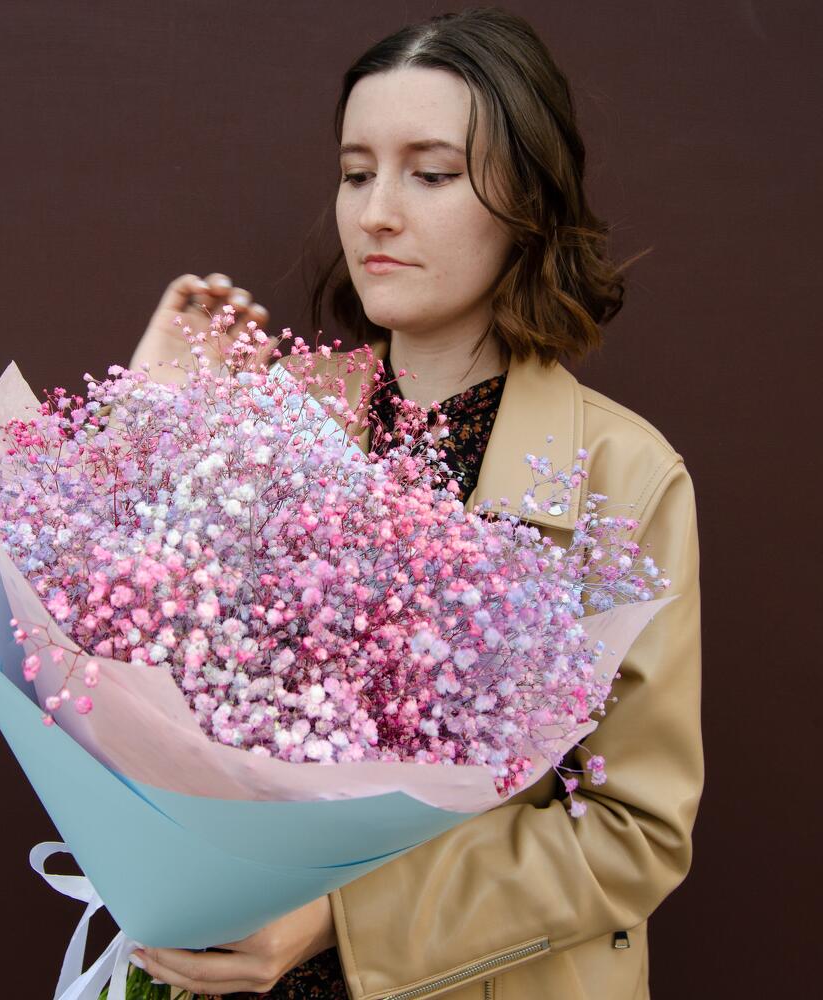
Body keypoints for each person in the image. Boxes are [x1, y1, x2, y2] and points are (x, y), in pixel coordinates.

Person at [126, 8, 702, 999]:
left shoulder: (623, 475)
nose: (376, 214)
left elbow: (631, 831)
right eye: (356, 174)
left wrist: (339, 921)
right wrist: (158, 426)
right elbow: (128, 655)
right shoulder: (279, 418)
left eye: (430, 174)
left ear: (527, 202)